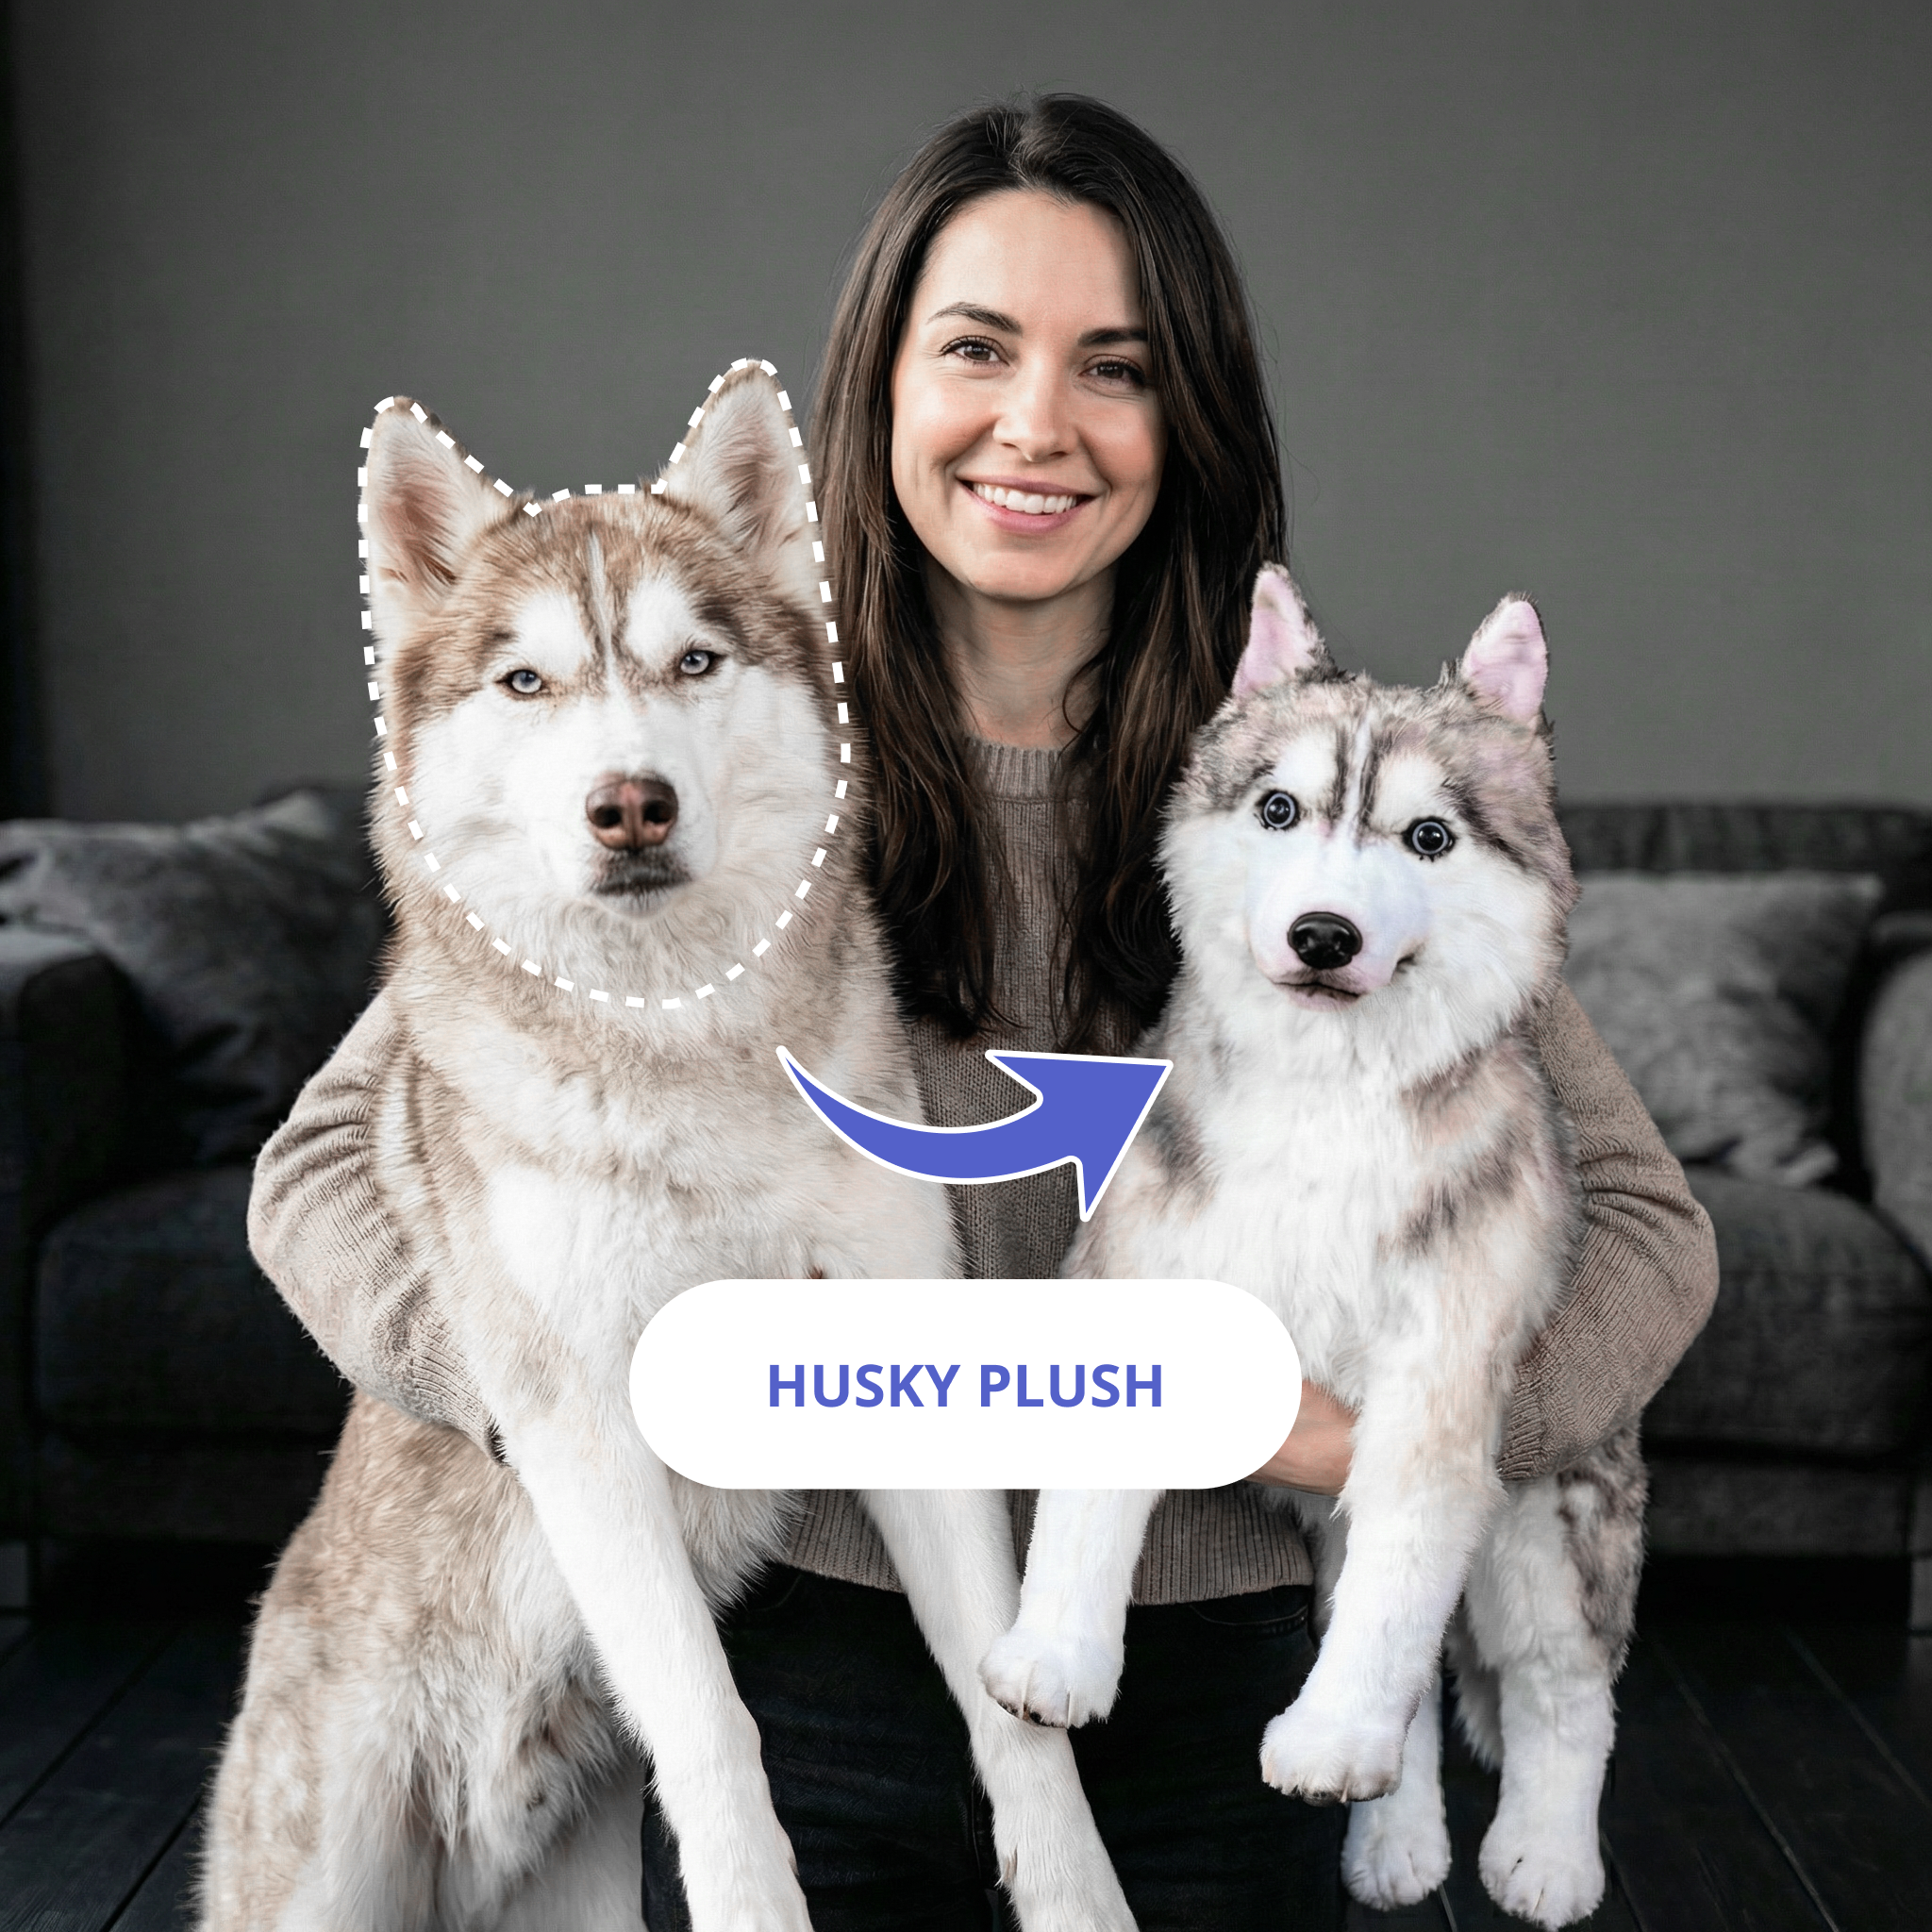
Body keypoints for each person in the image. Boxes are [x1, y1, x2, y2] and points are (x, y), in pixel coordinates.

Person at [251, 94, 1717, 1931]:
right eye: (976, 350)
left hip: (1219, 1675)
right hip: (822, 1681)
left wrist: (1376, 1442)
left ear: (1187, 418)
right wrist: (568, 1394)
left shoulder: (1291, 800)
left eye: (1113, 366)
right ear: (877, 389)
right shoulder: (741, 755)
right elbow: (314, 1170)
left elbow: (1651, 1234)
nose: (1037, 423)